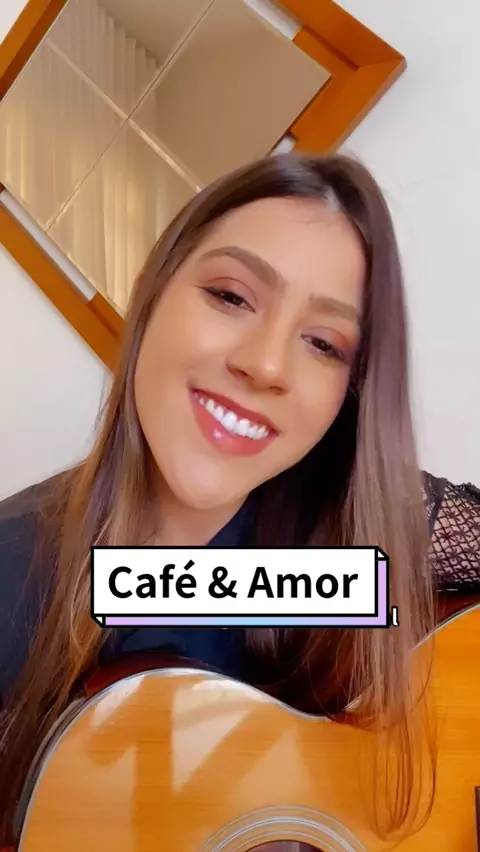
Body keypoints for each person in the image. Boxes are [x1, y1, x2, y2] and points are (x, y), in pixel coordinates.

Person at [0, 152, 478, 846]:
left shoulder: (336, 539)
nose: (266, 364)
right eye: (231, 297)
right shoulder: (14, 572)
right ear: (151, 291)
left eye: (324, 343)